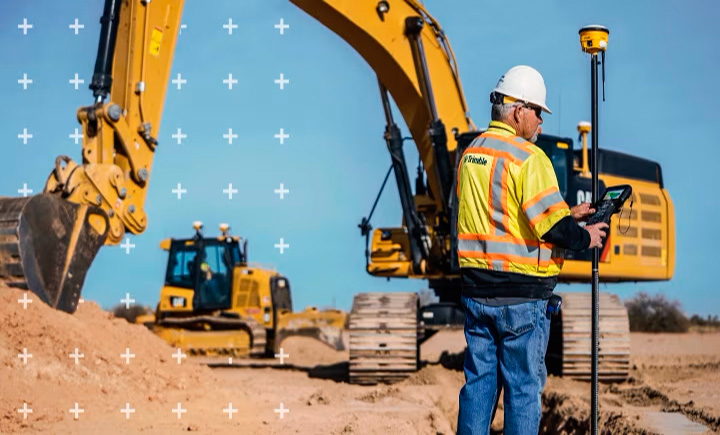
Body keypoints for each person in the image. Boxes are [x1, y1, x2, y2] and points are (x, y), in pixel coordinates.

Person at [455, 65, 609, 434]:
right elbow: (554, 229)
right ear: (518, 110)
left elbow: (500, 215)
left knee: (478, 387)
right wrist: (586, 236)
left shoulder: (471, 153)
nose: (540, 121)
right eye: (538, 112)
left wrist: (566, 213)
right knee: (523, 391)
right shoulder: (529, 158)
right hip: (521, 300)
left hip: (477, 295)